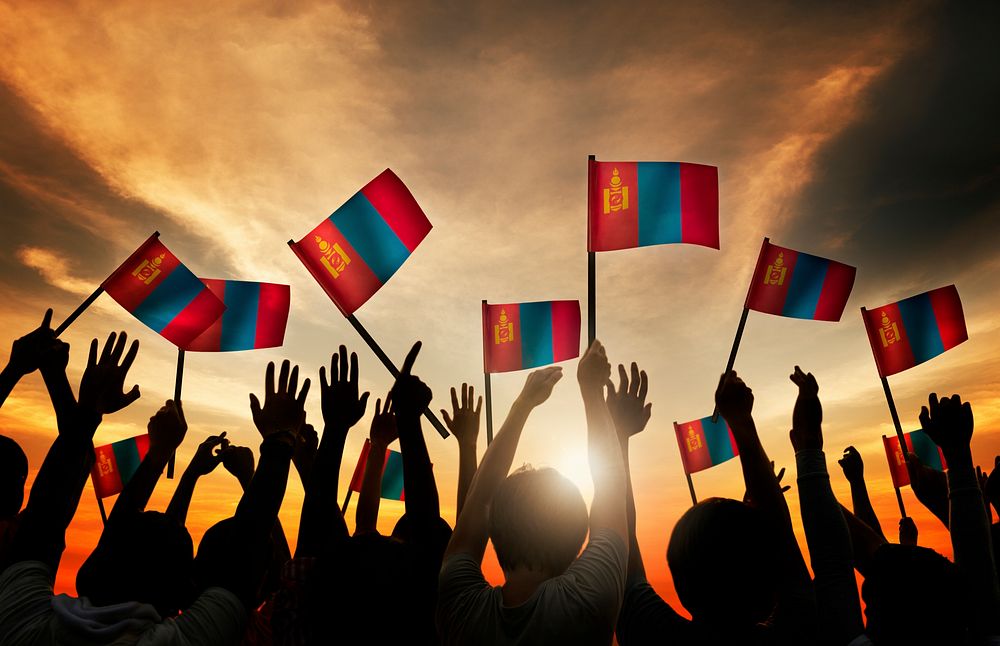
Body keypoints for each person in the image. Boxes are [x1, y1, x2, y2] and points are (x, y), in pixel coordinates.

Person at [437, 340, 629, 645]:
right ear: (579, 536)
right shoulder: (591, 600)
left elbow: (479, 500)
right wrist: (592, 391)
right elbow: (612, 488)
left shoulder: (460, 607)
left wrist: (522, 404)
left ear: (494, 531)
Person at [617, 368, 816, 645]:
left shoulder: (656, 634)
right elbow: (781, 537)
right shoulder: (801, 631)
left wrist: (617, 438)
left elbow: (620, 544)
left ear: (682, 584)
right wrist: (741, 422)